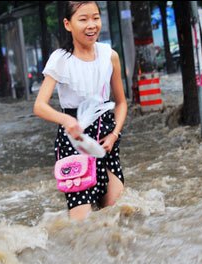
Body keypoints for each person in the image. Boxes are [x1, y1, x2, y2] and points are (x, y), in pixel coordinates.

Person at [34, 1, 127, 221]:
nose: (91, 25)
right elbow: (39, 106)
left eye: (95, 17)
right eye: (83, 19)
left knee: (115, 218)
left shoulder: (109, 56)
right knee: (81, 225)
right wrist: (66, 120)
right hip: (74, 143)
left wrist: (114, 135)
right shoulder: (60, 60)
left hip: (106, 141)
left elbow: (121, 103)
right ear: (68, 24)